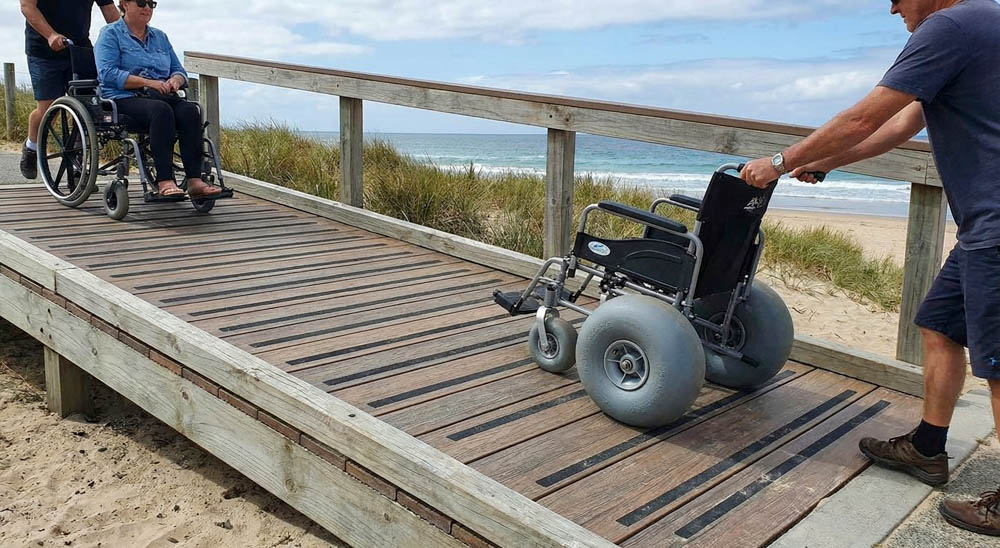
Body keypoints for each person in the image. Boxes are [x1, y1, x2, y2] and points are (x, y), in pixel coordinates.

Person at [740, 0, 1000, 536]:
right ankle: (927, 449)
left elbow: (865, 115)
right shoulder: (982, 24)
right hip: (982, 226)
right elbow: (903, 123)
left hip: (996, 226)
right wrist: (825, 162)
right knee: (939, 324)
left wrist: (779, 163)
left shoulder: (947, 26)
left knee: (997, 367)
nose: (892, 8)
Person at [94, 0, 220, 198]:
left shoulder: (160, 37)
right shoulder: (110, 34)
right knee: (160, 111)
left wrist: (175, 81)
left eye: (151, 4)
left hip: (160, 95)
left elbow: (179, 71)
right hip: (123, 97)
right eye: (141, 3)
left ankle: (195, 180)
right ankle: (165, 180)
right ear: (124, 4)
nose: (147, 8)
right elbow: (108, 74)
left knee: (190, 111)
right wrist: (148, 82)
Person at [19, 0, 120, 180]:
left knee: (87, 106)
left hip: (79, 45)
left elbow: (110, 11)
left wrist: (125, 36)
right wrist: (50, 35)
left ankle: (77, 165)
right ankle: (31, 147)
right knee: (48, 108)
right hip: (43, 50)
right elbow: (27, 6)